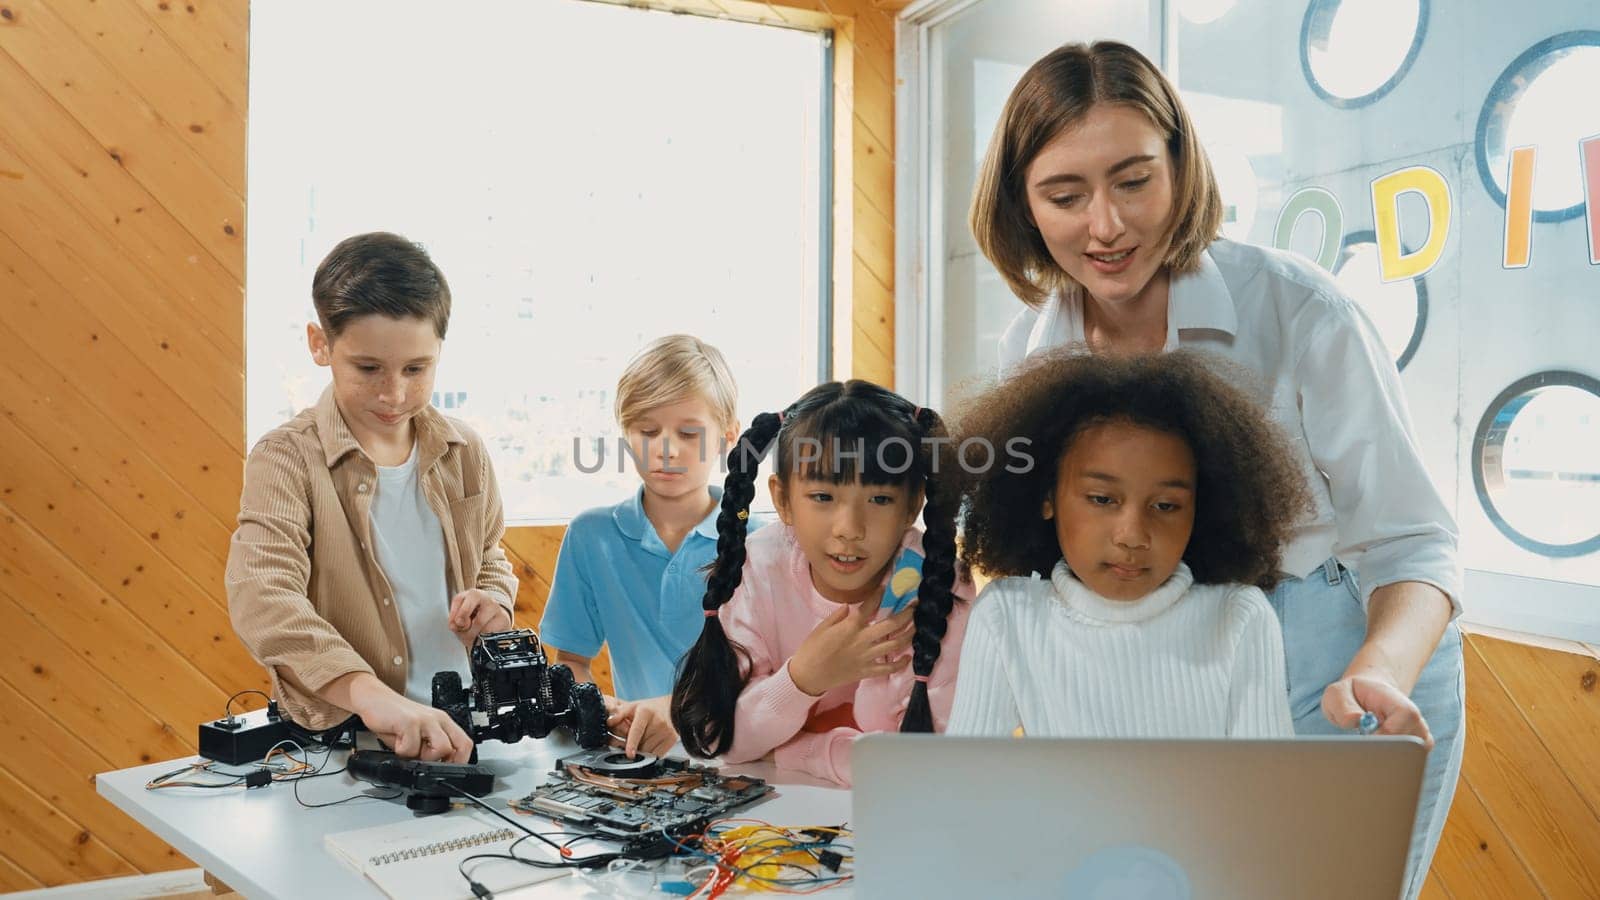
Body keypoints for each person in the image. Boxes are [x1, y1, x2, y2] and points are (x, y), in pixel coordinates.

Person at [971, 41, 1464, 897]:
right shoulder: (1030, 347)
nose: (1106, 226)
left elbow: (1416, 543)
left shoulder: (1299, 310)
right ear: (1022, 203)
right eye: (1064, 194)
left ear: (1181, 166)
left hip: (1337, 668)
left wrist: (1378, 668)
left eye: (1133, 180)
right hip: (1163, 682)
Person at [227, 232, 516, 764]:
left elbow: (492, 555)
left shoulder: (465, 450)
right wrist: (371, 696)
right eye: (368, 369)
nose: (394, 394)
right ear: (320, 344)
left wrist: (494, 601)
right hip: (340, 745)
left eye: (416, 369)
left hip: (468, 729)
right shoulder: (285, 458)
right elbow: (263, 596)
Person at [946, 349, 1304, 738]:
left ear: (1202, 508)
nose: (1132, 535)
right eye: (1102, 499)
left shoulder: (1239, 617)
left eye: (1166, 506)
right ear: (1047, 496)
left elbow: (1265, 792)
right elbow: (969, 786)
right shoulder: (1007, 615)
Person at [669, 380, 975, 786]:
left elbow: (924, 766)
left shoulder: (936, 581)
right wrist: (804, 678)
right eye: (823, 497)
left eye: (880, 499)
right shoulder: (758, 566)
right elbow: (718, 738)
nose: (849, 529)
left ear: (912, 506)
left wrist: (797, 750)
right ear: (782, 500)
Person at [540, 334, 751, 758]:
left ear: (728, 436)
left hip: (745, 758)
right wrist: (596, 705)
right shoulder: (591, 536)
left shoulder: (761, 541)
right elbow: (570, 661)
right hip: (641, 764)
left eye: (689, 433)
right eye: (647, 431)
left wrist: (678, 711)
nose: (666, 450)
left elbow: (776, 678)